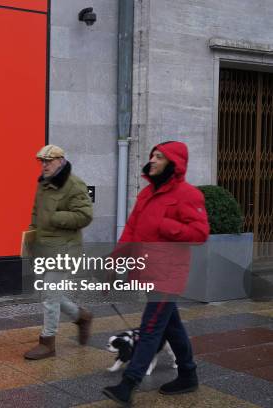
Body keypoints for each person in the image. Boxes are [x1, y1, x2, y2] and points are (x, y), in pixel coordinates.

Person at [102, 141, 209, 406]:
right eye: (152, 155)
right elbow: (131, 230)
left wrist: (166, 225)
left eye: (159, 156)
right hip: (147, 268)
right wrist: (116, 261)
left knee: (150, 328)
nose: (153, 160)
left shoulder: (188, 195)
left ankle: (128, 384)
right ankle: (188, 374)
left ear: (174, 163)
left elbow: (200, 233)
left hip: (168, 274)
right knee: (172, 325)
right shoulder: (147, 193)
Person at [23, 144, 94, 360]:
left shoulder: (74, 184)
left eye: (48, 161)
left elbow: (85, 216)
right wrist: (32, 235)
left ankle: (48, 342)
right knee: (47, 293)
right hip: (45, 247)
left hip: (65, 249)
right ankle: (81, 316)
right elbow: (36, 211)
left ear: (60, 161)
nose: (43, 165)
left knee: (49, 296)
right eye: (42, 161)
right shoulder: (44, 183)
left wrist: (56, 218)